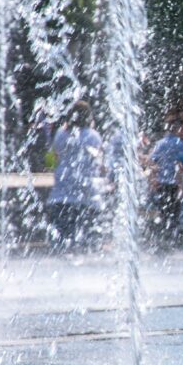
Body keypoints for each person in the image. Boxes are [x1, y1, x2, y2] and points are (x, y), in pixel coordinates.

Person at [47, 100, 104, 252]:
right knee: (86, 247)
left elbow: (50, 161)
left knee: (62, 247)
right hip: (86, 196)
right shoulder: (93, 136)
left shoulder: (60, 134)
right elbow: (99, 163)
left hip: (60, 196)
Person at [147, 116, 183, 250]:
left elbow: (151, 161)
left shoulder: (160, 143)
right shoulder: (180, 143)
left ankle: (160, 241)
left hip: (161, 183)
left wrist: (154, 178)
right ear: (178, 129)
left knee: (163, 212)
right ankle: (170, 241)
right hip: (174, 184)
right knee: (174, 213)